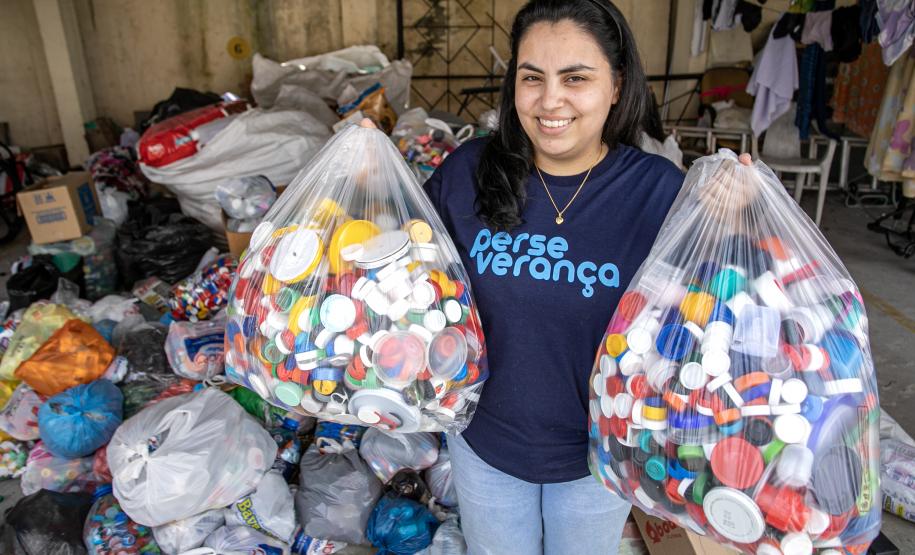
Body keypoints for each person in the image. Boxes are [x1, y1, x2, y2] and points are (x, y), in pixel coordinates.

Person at [362, 1, 750, 552]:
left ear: (616, 86)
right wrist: (366, 182)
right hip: (485, 444)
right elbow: (406, 291)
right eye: (532, 78)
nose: (550, 100)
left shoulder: (661, 193)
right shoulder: (467, 174)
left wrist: (738, 221)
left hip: (599, 455)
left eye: (576, 78)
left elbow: (717, 321)